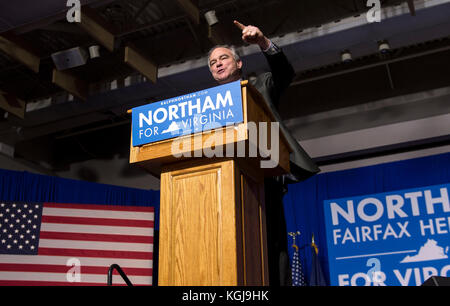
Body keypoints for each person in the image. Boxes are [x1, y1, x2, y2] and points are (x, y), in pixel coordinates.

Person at [208, 21, 320, 285]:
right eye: (213, 63)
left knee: (271, 244)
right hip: (223, 181)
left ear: (238, 64)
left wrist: (262, 42)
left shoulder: (261, 84)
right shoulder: (205, 106)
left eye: (223, 58)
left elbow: (284, 73)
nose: (218, 64)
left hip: (264, 177)